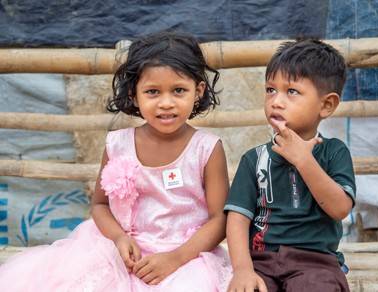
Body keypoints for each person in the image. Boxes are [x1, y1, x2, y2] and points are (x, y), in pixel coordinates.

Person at [0, 31, 231, 291]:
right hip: (119, 251)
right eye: (153, 92)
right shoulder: (118, 144)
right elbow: (100, 205)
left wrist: (175, 258)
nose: (166, 103)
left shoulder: (207, 148)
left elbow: (220, 219)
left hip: (185, 256)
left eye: (179, 90)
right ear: (133, 94)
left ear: (198, 91)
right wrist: (119, 239)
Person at [225, 39, 356, 292]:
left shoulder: (334, 152)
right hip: (261, 261)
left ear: (326, 105)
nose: (276, 101)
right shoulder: (255, 158)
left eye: (291, 92)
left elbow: (340, 208)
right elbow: (238, 219)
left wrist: (303, 160)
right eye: (270, 90)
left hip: (316, 263)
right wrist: (243, 270)